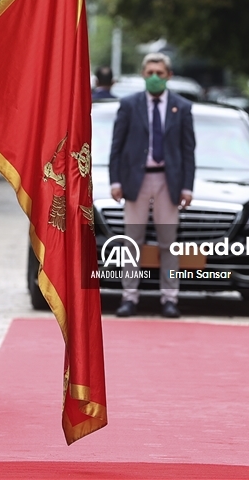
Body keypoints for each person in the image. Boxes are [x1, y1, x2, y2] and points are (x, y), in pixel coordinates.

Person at [109, 52, 195, 318]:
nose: (154, 77)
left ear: (169, 76)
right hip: (136, 180)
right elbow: (117, 145)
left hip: (168, 181)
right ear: (143, 75)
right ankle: (129, 297)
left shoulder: (182, 107)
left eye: (159, 73)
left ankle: (170, 298)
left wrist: (187, 186)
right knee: (132, 242)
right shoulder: (129, 105)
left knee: (168, 243)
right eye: (150, 73)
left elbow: (188, 149)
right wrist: (115, 180)